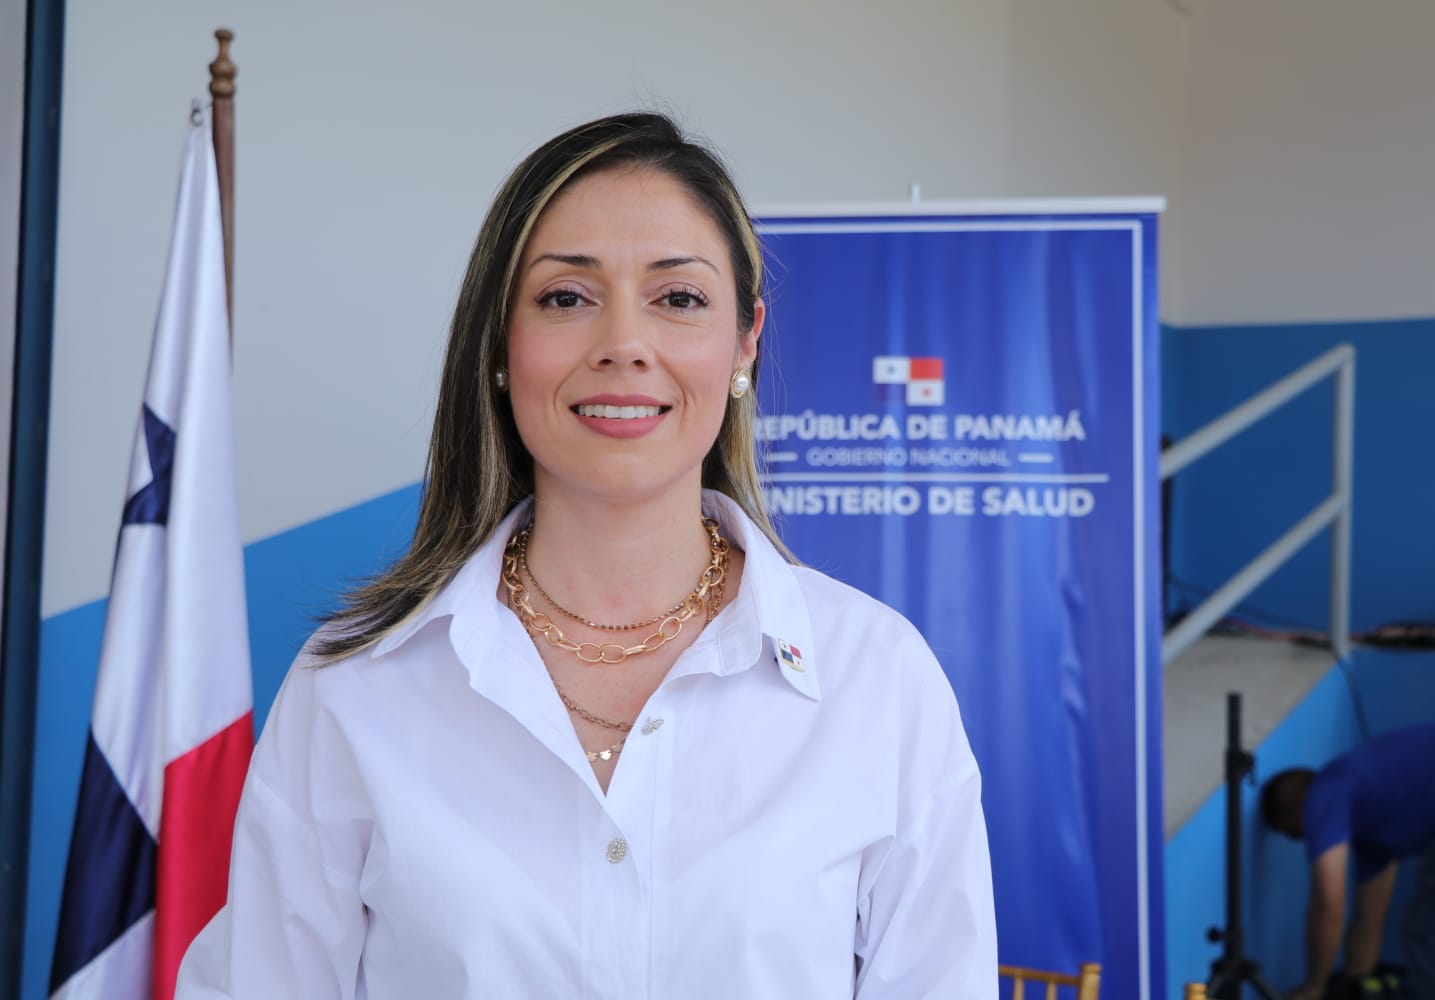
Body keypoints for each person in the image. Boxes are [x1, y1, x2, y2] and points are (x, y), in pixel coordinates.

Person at [175, 112, 998, 998]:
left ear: (745, 341)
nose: (623, 345)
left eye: (678, 298)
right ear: (500, 342)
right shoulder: (356, 683)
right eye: (566, 297)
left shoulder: (879, 682)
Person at [1261, 721, 1435, 1000]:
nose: (1306, 839)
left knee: (1430, 937)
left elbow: (1329, 907)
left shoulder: (1325, 789)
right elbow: (1368, 922)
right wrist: (1354, 988)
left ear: (1297, 802)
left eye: (1294, 832)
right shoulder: (1375, 838)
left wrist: (1313, 988)